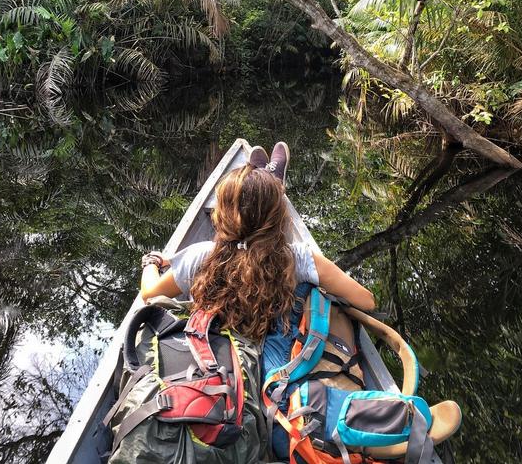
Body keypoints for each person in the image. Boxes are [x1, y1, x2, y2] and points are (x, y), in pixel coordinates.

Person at [139, 142, 375, 341]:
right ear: (278, 217)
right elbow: (367, 302)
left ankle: (268, 181)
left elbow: (150, 295)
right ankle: (270, 184)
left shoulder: (201, 256)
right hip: (275, 361)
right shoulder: (298, 258)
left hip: (218, 360)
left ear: (222, 215)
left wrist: (151, 261)